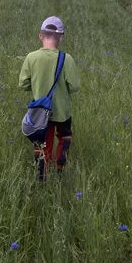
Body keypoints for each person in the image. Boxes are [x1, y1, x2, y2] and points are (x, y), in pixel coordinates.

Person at [19, 16, 81, 181]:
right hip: (62, 111)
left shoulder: (31, 58)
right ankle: (60, 170)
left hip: (40, 113)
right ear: (60, 37)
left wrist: (38, 85)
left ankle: (42, 176)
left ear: (40, 35)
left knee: (42, 143)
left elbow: (23, 84)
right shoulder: (66, 59)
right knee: (64, 138)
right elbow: (74, 86)